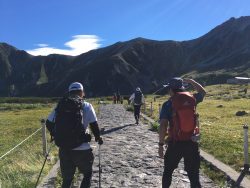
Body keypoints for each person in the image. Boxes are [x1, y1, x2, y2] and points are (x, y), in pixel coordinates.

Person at [46, 82, 103, 188]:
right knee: (87, 174)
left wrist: (56, 134)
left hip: (64, 149)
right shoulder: (87, 106)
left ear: (69, 92)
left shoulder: (61, 105)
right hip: (82, 148)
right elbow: (94, 125)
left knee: (67, 179)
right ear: (82, 92)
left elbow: (48, 123)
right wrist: (98, 137)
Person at [158, 78, 206, 188]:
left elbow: (163, 125)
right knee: (194, 176)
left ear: (171, 90)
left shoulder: (168, 104)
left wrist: (161, 145)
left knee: (168, 171)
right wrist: (192, 82)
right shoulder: (192, 99)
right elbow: (203, 92)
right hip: (192, 142)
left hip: (175, 143)